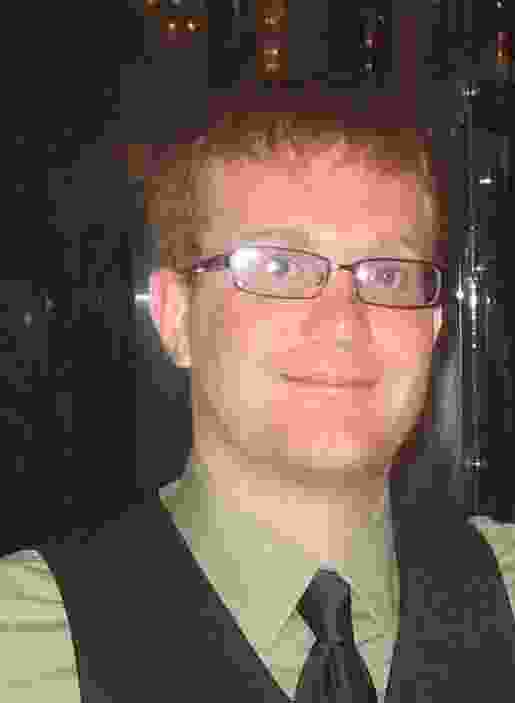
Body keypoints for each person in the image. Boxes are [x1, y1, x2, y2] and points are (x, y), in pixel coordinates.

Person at [1, 82, 514, 702]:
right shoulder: (25, 643)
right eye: (279, 266)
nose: (343, 324)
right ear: (176, 318)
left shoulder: (506, 589)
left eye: (386, 274)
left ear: (433, 328)